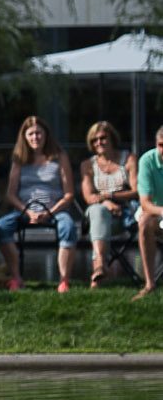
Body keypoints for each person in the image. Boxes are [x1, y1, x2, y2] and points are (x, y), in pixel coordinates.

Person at [0, 115, 78, 293]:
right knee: (2, 225)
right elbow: (10, 194)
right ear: (24, 136)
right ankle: (16, 278)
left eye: (39, 133)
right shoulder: (19, 159)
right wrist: (27, 211)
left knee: (69, 226)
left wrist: (49, 212)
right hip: (25, 210)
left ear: (46, 135)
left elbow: (69, 194)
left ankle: (64, 280)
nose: (35, 138)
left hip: (54, 209)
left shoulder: (59, 156)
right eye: (31, 134)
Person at [81, 122, 136, 289]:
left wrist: (111, 195)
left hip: (124, 216)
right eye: (94, 140)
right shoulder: (88, 165)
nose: (98, 142)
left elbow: (138, 191)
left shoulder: (128, 159)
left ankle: (98, 272)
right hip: (98, 215)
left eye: (103, 138)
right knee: (98, 211)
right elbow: (89, 196)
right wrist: (106, 203)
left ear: (112, 138)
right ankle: (99, 265)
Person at [137, 124, 163, 299]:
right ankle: (149, 283)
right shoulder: (147, 160)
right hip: (156, 212)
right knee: (144, 222)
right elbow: (146, 203)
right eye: (161, 144)